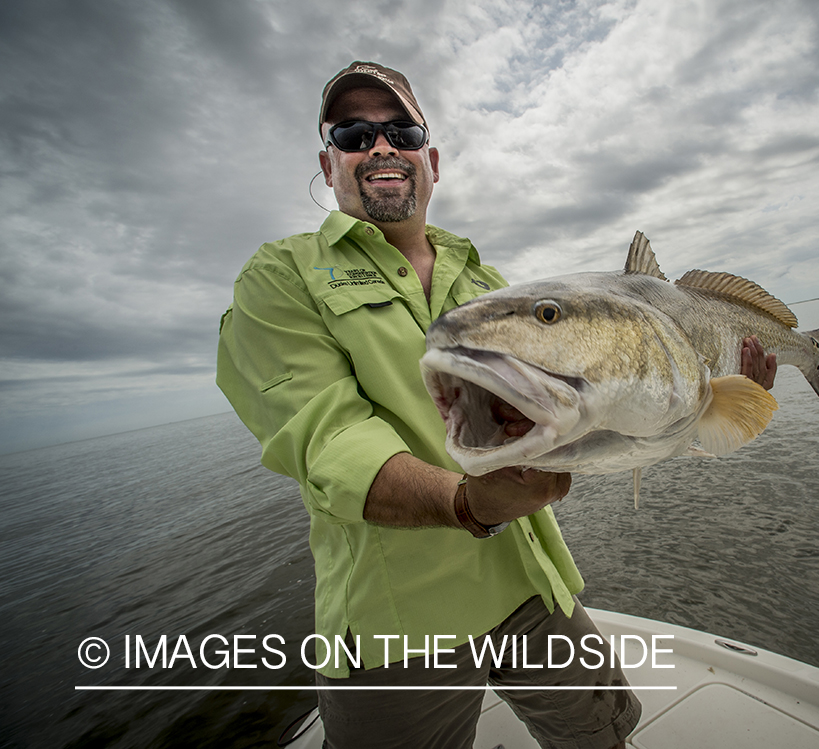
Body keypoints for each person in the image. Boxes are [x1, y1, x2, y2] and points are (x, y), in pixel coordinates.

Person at [216, 62, 777, 749]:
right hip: (398, 616)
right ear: (327, 160)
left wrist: (718, 399)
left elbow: (592, 415)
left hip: (530, 578)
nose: (382, 146)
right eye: (355, 133)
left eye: (402, 130)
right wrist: (465, 502)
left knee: (601, 737)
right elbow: (326, 440)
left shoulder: (482, 278)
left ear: (432, 158)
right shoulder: (281, 275)